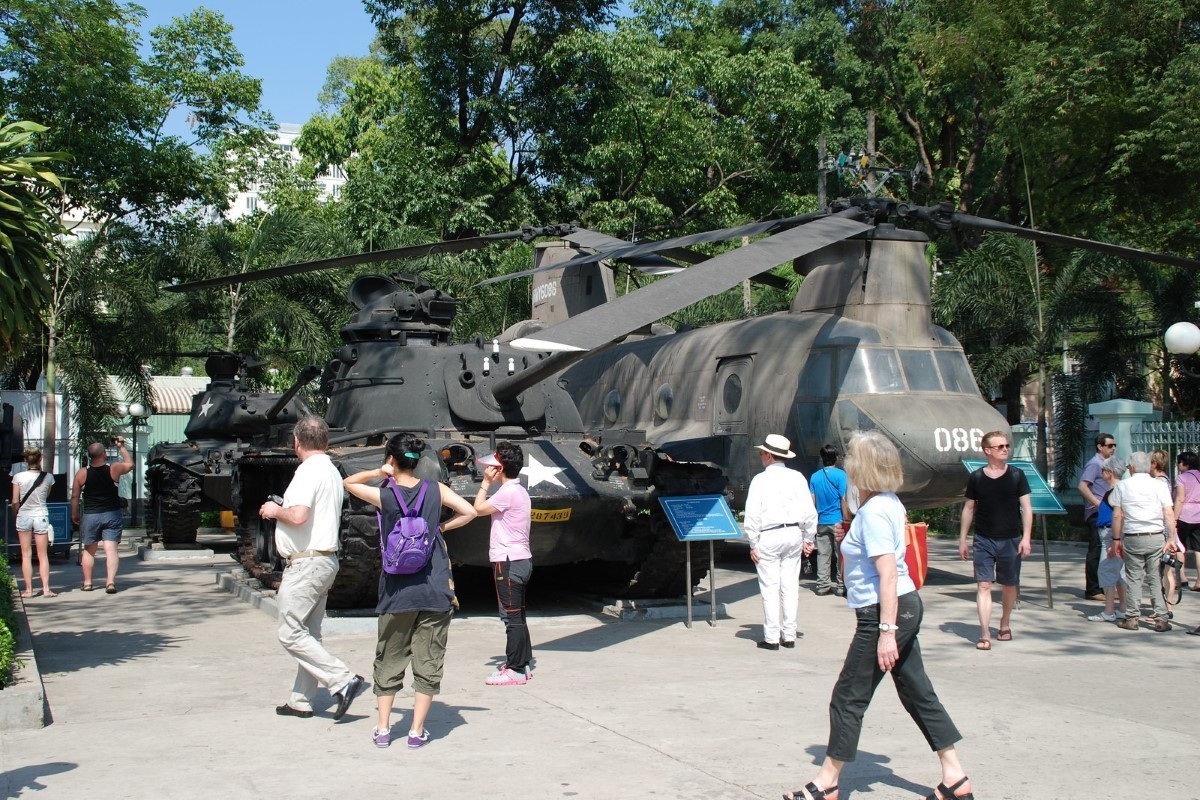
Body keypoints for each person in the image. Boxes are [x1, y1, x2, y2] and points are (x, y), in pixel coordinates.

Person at [784, 431, 972, 800]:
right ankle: (955, 776)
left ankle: (827, 783)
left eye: (853, 458)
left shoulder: (874, 512)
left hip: (885, 612)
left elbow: (887, 573)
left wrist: (886, 631)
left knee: (848, 696)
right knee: (917, 691)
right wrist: (848, 537)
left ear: (862, 466)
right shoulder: (887, 503)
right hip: (902, 606)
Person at [343, 433, 477, 748]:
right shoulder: (437, 490)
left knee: (389, 656)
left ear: (392, 459)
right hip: (434, 589)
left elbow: (348, 483)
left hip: (396, 592)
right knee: (429, 660)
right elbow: (470, 512)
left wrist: (379, 473)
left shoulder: (385, 495)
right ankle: (416, 732)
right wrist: (440, 527)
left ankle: (384, 728)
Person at [262, 415, 365, 720]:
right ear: (326, 441)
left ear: (296, 442)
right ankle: (301, 700)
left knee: (290, 633)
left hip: (306, 562)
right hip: (325, 559)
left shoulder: (307, 471)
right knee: (310, 632)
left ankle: (343, 679)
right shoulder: (331, 470)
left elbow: (297, 516)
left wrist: (273, 510)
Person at [958, 430, 1032, 649]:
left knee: (1009, 585)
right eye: (1000, 447)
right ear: (988, 451)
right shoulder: (977, 477)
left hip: (1011, 539)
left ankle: (1005, 623)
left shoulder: (1017, 475)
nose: (1005, 449)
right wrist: (963, 539)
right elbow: (969, 508)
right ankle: (984, 634)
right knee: (983, 585)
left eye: (1006, 446)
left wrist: (1026, 538)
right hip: (983, 539)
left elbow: (1027, 508)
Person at [743, 433, 818, 650]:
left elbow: (753, 514)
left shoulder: (760, 480)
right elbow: (808, 510)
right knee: (789, 586)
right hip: (793, 532)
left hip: (769, 534)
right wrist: (809, 537)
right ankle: (790, 634)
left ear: (767, 455)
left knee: (770, 586)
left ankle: (772, 636)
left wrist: (753, 542)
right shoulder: (797, 477)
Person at [473, 441, 534, 685]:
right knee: (518, 614)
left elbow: (477, 509)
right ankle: (523, 662)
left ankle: (516, 670)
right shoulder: (520, 491)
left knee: (511, 617)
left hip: (507, 561)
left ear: (500, 469)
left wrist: (485, 483)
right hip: (521, 558)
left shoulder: (506, 493)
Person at [1109, 451, 1175, 632]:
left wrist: (1115, 539)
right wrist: (1171, 538)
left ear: (1131, 468)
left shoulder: (1123, 486)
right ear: (1149, 466)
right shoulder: (1159, 485)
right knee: (1155, 577)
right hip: (1155, 536)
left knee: (1133, 578)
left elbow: (1117, 514)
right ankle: (1161, 618)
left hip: (1133, 536)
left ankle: (1132, 618)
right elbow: (1168, 513)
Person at [71, 437, 133, 593]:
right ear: (104, 454)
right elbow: (130, 464)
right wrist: (121, 447)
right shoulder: (114, 469)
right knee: (111, 550)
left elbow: (75, 496)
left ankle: (87, 583)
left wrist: (75, 514)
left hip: (91, 515)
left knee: (89, 550)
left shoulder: (82, 473)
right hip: (112, 514)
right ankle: (110, 583)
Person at [1086, 457, 1128, 623]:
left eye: (1103, 471)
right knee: (1119, 573)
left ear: (1110, 473)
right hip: (1111, 533)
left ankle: (1109, 610)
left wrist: (1117, 540)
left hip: (1111, 534)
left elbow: (1120, 515)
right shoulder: (1116, 489)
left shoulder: (1116, 490)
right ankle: (1123, 608)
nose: (1102, 473)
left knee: (1106, 571)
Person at [12, 447, 57, 598]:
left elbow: (15, 501)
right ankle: (46, 589)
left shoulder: (18, 477)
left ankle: (28, 590)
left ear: (25, 460)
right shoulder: (48, 477)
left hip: (24, 515)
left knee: (26, 554)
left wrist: (15, 514)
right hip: (41, 515)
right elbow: (47, 495)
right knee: (43, 555)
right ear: (40, 459)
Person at [1077, 432, 1117, 600]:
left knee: (1105, 550)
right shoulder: (1095, 464)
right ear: (1100, 447)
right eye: (1110, 446)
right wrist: (1098, 503)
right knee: (1095, 549)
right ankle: (1093, 589)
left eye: (1114, 445)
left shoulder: (1107, 463)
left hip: (1107, 512)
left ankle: (1104, 587)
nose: (1113, 448)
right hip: (1096, 514)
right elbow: (1082, 486)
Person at [809, 444, 848, 597]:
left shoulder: (814, 477)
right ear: (836, 458)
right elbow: (843, 499)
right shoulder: (841, 475)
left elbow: (812, 501)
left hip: (821, 521)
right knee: (841, 555)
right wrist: (846, 519)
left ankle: (822, 586)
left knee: (823, 555)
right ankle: (840, 586)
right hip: (838, 521)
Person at [1173, 450, 1200, 593]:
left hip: (1184, 515)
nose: (1178, 465)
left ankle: (1182, 578)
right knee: (1199, 549)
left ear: (1185, 464)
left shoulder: (1182, 478)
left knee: (1179, 546)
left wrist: (1174, 518)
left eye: (1179, 463)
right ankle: (1199, 581)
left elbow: (1180, 499)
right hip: (1199, 515)